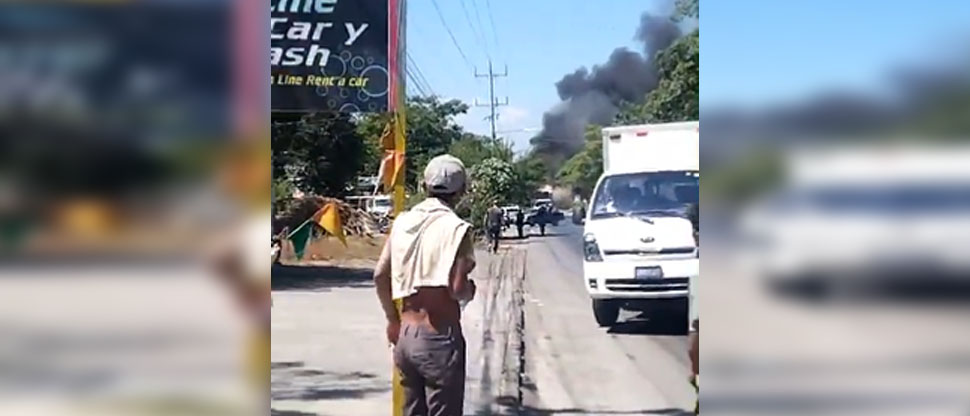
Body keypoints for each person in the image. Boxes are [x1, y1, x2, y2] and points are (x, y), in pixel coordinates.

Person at [374, 155, 477, 416]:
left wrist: (392, 320)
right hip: (439, 337)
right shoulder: (457, 229)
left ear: (423, 186)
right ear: (462, 191)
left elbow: (380, 275)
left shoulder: (402, 222)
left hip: (406, 335)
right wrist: (471, 289)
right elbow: (457, 289)